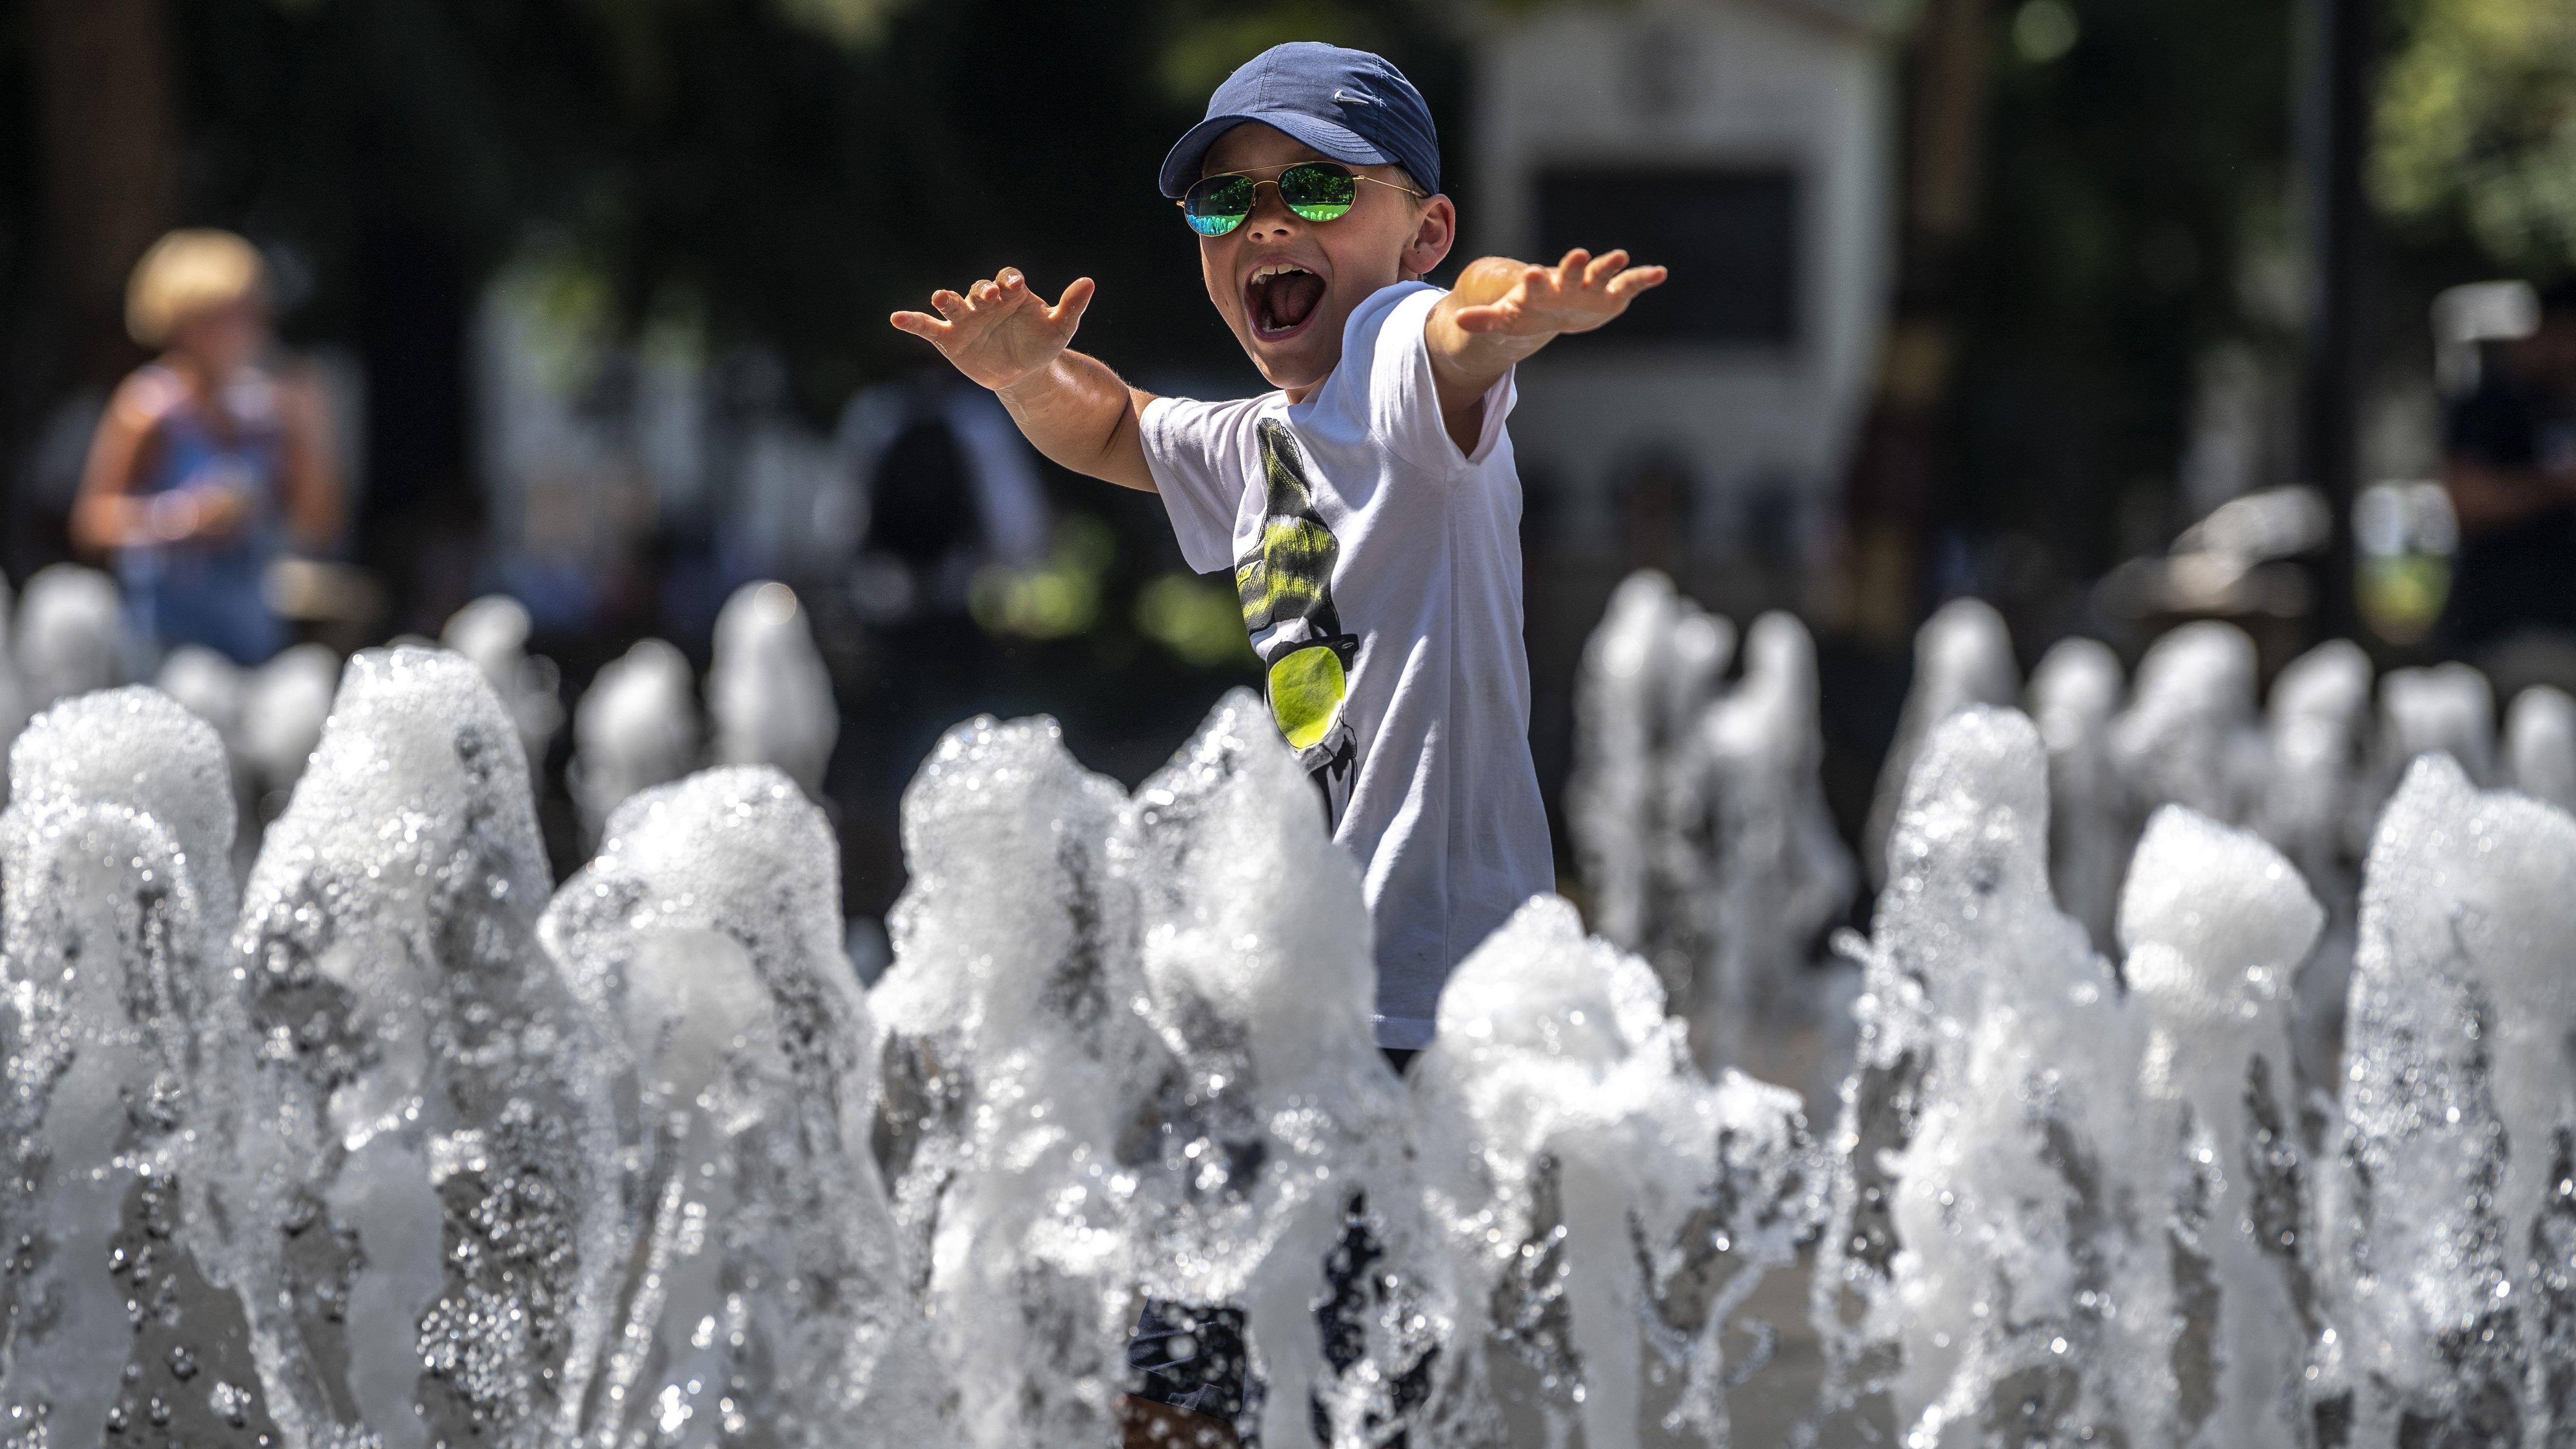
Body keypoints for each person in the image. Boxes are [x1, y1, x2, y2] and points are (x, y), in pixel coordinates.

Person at [892, 40, 1666, 1447]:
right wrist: (1022, 380)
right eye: (1223, 202)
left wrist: (1511, 310)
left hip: (1420, 1016)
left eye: (1312, 187)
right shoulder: (1258, 440)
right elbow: (1118, 426)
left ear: (1418, 227)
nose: (1263, 226)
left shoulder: (1388, 373)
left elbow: (1454, 326)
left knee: (1298, 1399)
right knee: (1195, 1393)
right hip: (1294, 1020)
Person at [73, 229, 343, 664]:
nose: (243, 329)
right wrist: (185, 517)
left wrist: (310, 428)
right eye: (223, 315)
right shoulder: (148, 406)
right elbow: (92, 521)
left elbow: (319, 526)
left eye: (249, 312)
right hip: (164, 647)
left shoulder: (265, 414)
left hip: (252, 645)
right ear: (179, 323)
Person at [2441, 278, 2576, 653]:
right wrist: (2555, 485)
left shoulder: (2560, 405)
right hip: (2504, 631)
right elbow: (2466, 501)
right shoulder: (2489, 405)